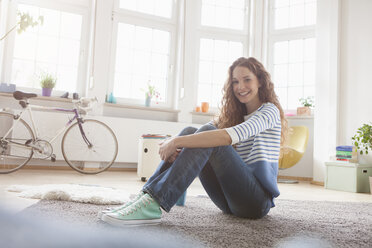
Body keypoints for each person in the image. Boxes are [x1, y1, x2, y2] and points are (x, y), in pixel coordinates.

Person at [99, 57, 287, 227]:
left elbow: (226, 136)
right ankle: (146, 197)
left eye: (247, 79)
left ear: (260, 81)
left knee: (206, 135)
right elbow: (197, 133)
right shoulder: (235, 115)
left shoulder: (269, 111)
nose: (240, 87)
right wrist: (177, 142)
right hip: (228, 202)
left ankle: (153, 203)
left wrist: (176, 142)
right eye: (235, 81)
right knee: (192, 132)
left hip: (254, 204)